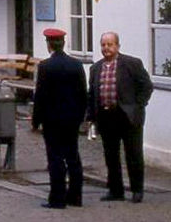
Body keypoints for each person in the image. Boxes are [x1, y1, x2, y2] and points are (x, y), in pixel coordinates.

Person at [86, 31, 154, 203]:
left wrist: (138, 107)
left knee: (134, 154)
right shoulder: (95, 68)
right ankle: (115, 190)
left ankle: (137, 190)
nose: (106, 48)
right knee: (111, 155)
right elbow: (92, 93)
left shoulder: (131, 64)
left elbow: (146, 86)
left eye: (110, 44)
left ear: (117, 46)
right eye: (103, 45)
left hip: (127, 116)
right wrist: (91, 117)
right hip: (106, 116)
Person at [32, 28, 87, 209]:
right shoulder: (76, 65)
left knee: (55, 158)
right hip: (72, 119)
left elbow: (40, 96)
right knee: (73, 157)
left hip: (52, 119)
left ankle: (57, 198)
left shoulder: (45, 66)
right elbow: (82, 94)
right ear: (63, 43)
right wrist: (81, 116)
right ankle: (76, 196)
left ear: (49, 45)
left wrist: (36, 120)